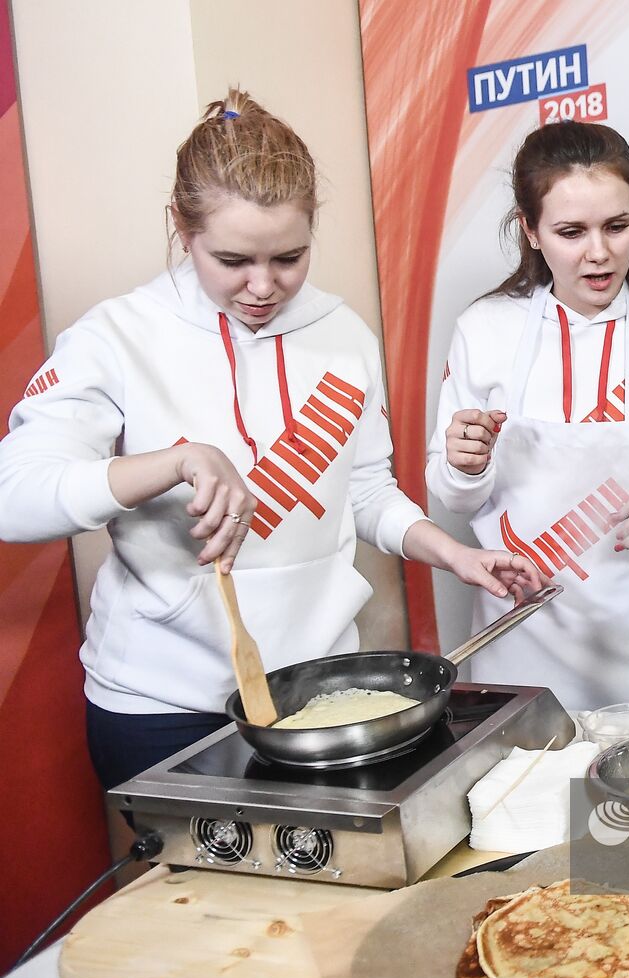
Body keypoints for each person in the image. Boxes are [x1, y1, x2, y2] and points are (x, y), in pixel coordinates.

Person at [0, 90, 540, 789]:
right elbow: (14, 498)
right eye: (232, 260)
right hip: (162, 707)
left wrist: (454, 554)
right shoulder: (118, 336)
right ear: (181, 229)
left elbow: (367, 492)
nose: (263, 287)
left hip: (319, 695)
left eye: (289, 257)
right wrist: (173, 463)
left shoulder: (344, 335)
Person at [425, 120, 629, 709]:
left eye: (617, 226)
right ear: (530, 230)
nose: (599, 253)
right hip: (519, 645)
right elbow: (455, 496)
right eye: (571, 232)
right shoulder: (486, 331)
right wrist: (463, 465)